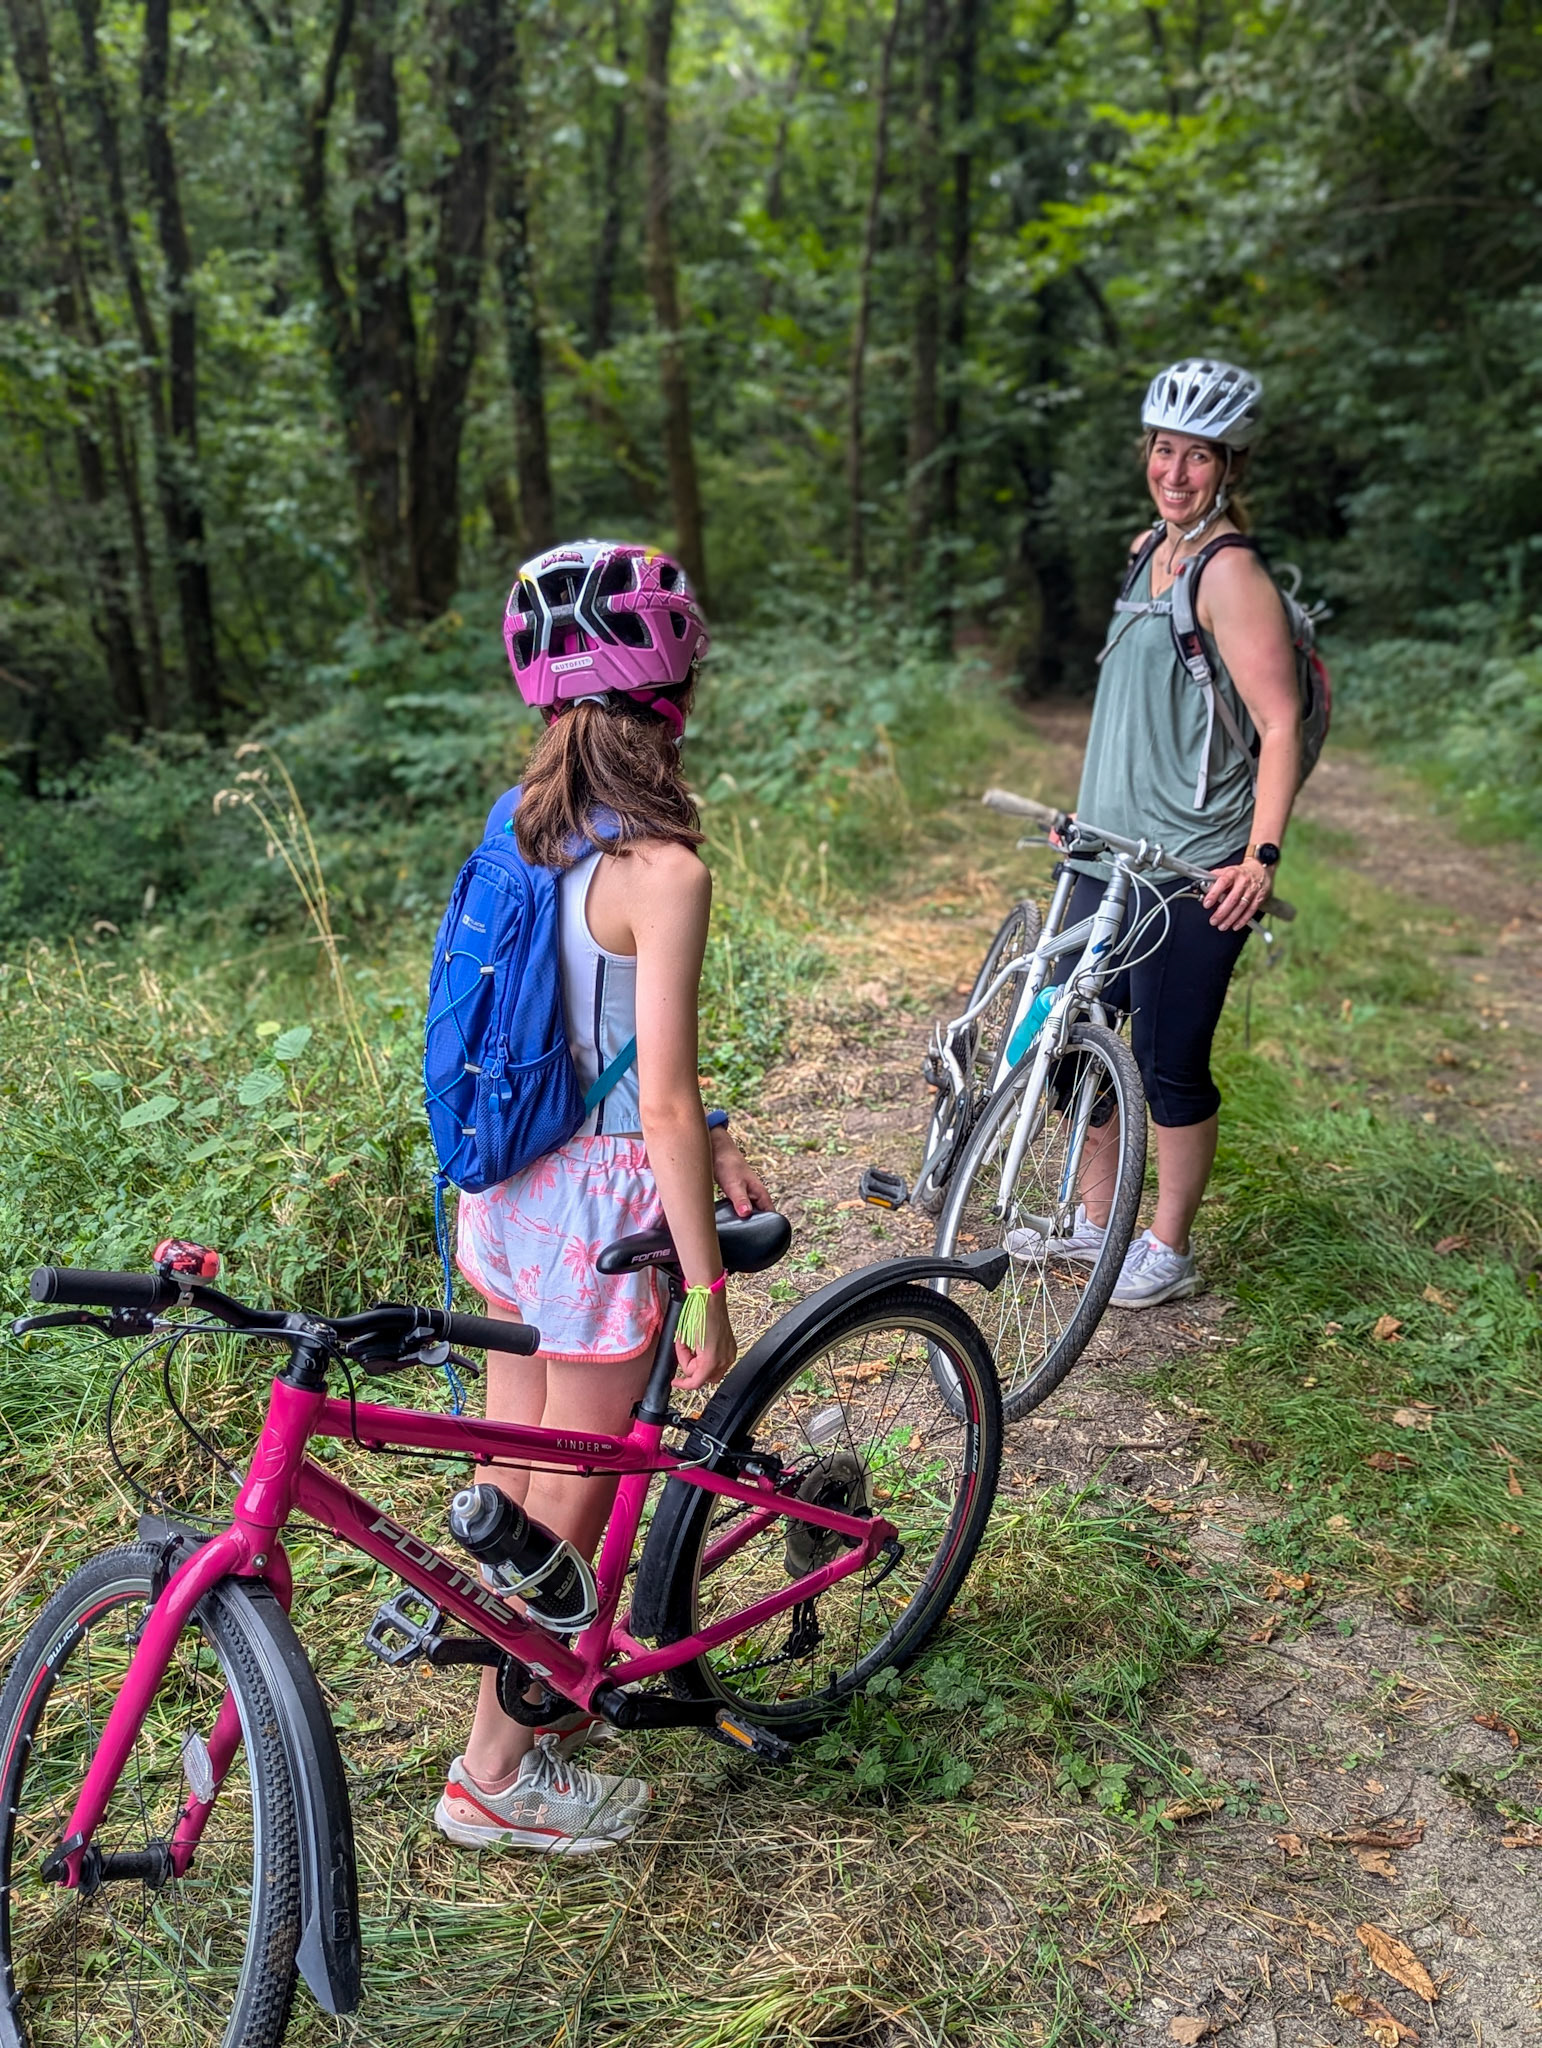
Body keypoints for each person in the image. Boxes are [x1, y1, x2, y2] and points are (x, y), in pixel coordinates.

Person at [434, 539, 771, 1853]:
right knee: (574, 1490)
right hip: (594, 1215)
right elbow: (661, 1101)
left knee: (517, 1468)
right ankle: (495, 1771)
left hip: (505, 1192)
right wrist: (710, 1288)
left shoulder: (521, 824)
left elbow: (598, 1032)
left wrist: (715, 1126)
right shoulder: (664, 870)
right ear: (671, 695)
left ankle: (528, 1691)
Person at [1019, 359, 1301, 1308]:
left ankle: (1168, 1250)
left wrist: (1260, 857)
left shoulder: (1232, 574)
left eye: (1198, 456)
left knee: (1168, 1064)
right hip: (1107, 852)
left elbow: (1280, 724)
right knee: (1075, 1038)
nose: (1175, 472)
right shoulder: (1149, 552)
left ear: (1231, 466)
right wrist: (1087, 817)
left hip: (1193, 864)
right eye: (1164, 450)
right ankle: (1097, 1225)